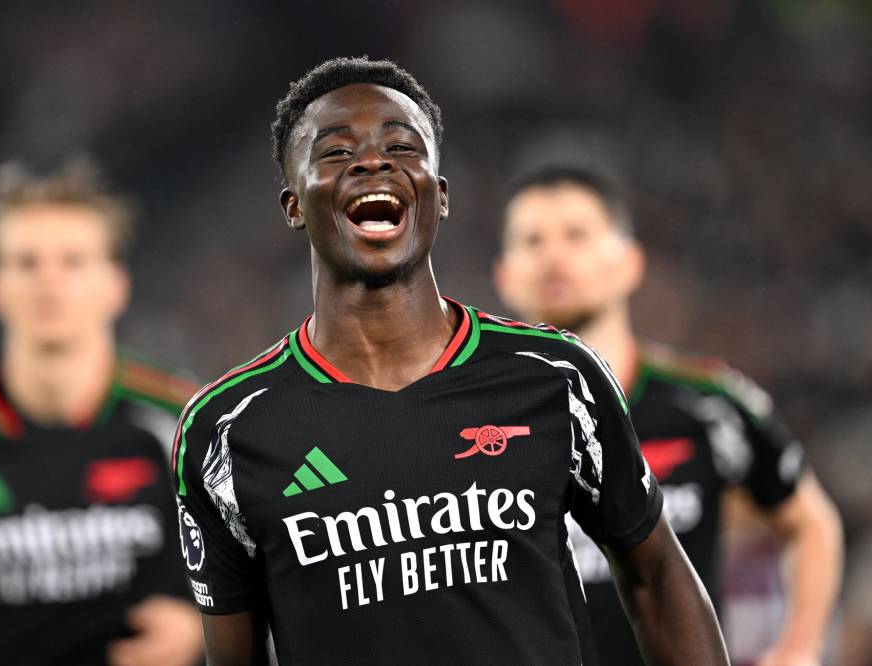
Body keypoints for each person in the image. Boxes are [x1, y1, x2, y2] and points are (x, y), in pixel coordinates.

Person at [171, 56, 728, 666]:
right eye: (334, 152)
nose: (372, 161)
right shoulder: (227, 429)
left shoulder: (555, 376)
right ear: (294, 205)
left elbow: (656, 579)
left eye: (402, 146)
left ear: (438, 196)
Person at [493, 165, 843, 666]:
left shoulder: (706, 405)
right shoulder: (480, 422)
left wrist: (799, 649)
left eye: (577, 235)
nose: (554, 257)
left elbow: (811, 523)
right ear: (504, 275)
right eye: (532, 240)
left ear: (629, 263)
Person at [0, 158, 206, 666]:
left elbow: (268, 568)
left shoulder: (187, 421)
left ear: (116, 283)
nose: (49, 282)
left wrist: (203, 628)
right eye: (26, 262)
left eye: (73, 261)